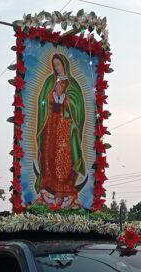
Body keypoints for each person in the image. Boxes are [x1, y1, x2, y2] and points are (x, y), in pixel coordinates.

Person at [33, 53, 87, 210]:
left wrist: (64, 96)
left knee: (64, 157)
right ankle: (48, 187)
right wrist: (53, 95)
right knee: (49, 155)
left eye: (59, 64)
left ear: (65, 65)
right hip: (51, 126)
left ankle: (66, 189)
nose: (57, 68)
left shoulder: (73, 84)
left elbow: (78, 107)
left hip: (66, 127)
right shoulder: (49, 82)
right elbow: (42, 101)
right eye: (54, 65)